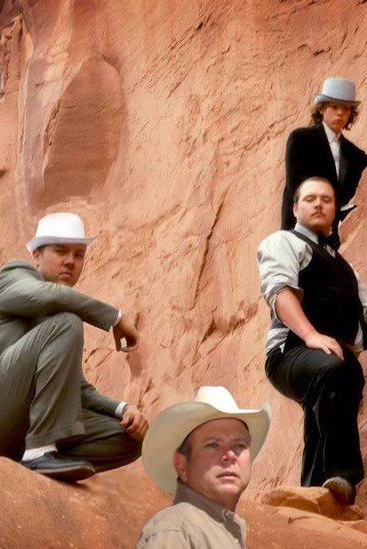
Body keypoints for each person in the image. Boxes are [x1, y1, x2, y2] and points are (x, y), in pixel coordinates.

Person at [0, 212, 149, 480]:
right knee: (68, 321)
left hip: (19, 429)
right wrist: (114, 318)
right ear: (36, 256)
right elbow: (48, 297)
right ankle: (40, 452)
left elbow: (77, 389)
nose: (70, 261)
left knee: (131, 438)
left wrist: (123, 409)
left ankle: (40, 456)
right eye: (61, 251)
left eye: (78, 255)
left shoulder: (57, 321)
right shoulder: (13, 275)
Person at [258, 177, 367, 504]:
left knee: (344, 378)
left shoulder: (346, 268)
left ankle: (315, 494)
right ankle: (342, 477)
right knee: (335, 370)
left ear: (334, 210)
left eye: (326, 199)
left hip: (328, 357)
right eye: (309, 199)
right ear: (295, 208)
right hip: (289, 352)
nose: (318, 203)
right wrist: (311, 335)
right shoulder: (283, 241)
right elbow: (279, 292)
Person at [137, 386, 271, 549]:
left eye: (239, 445)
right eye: (213, 444)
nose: (230, 455)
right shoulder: (177, 533)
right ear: (182, 465)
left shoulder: (212, 531)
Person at [281, 77, 367, 248]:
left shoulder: (357, 156)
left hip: (336, 241)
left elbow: (352, 198)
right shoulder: (301, 139)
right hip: (299, 234)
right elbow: (296, 187)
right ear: (321, 108)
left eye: (346, 108)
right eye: (334, 107)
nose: (340, 113)